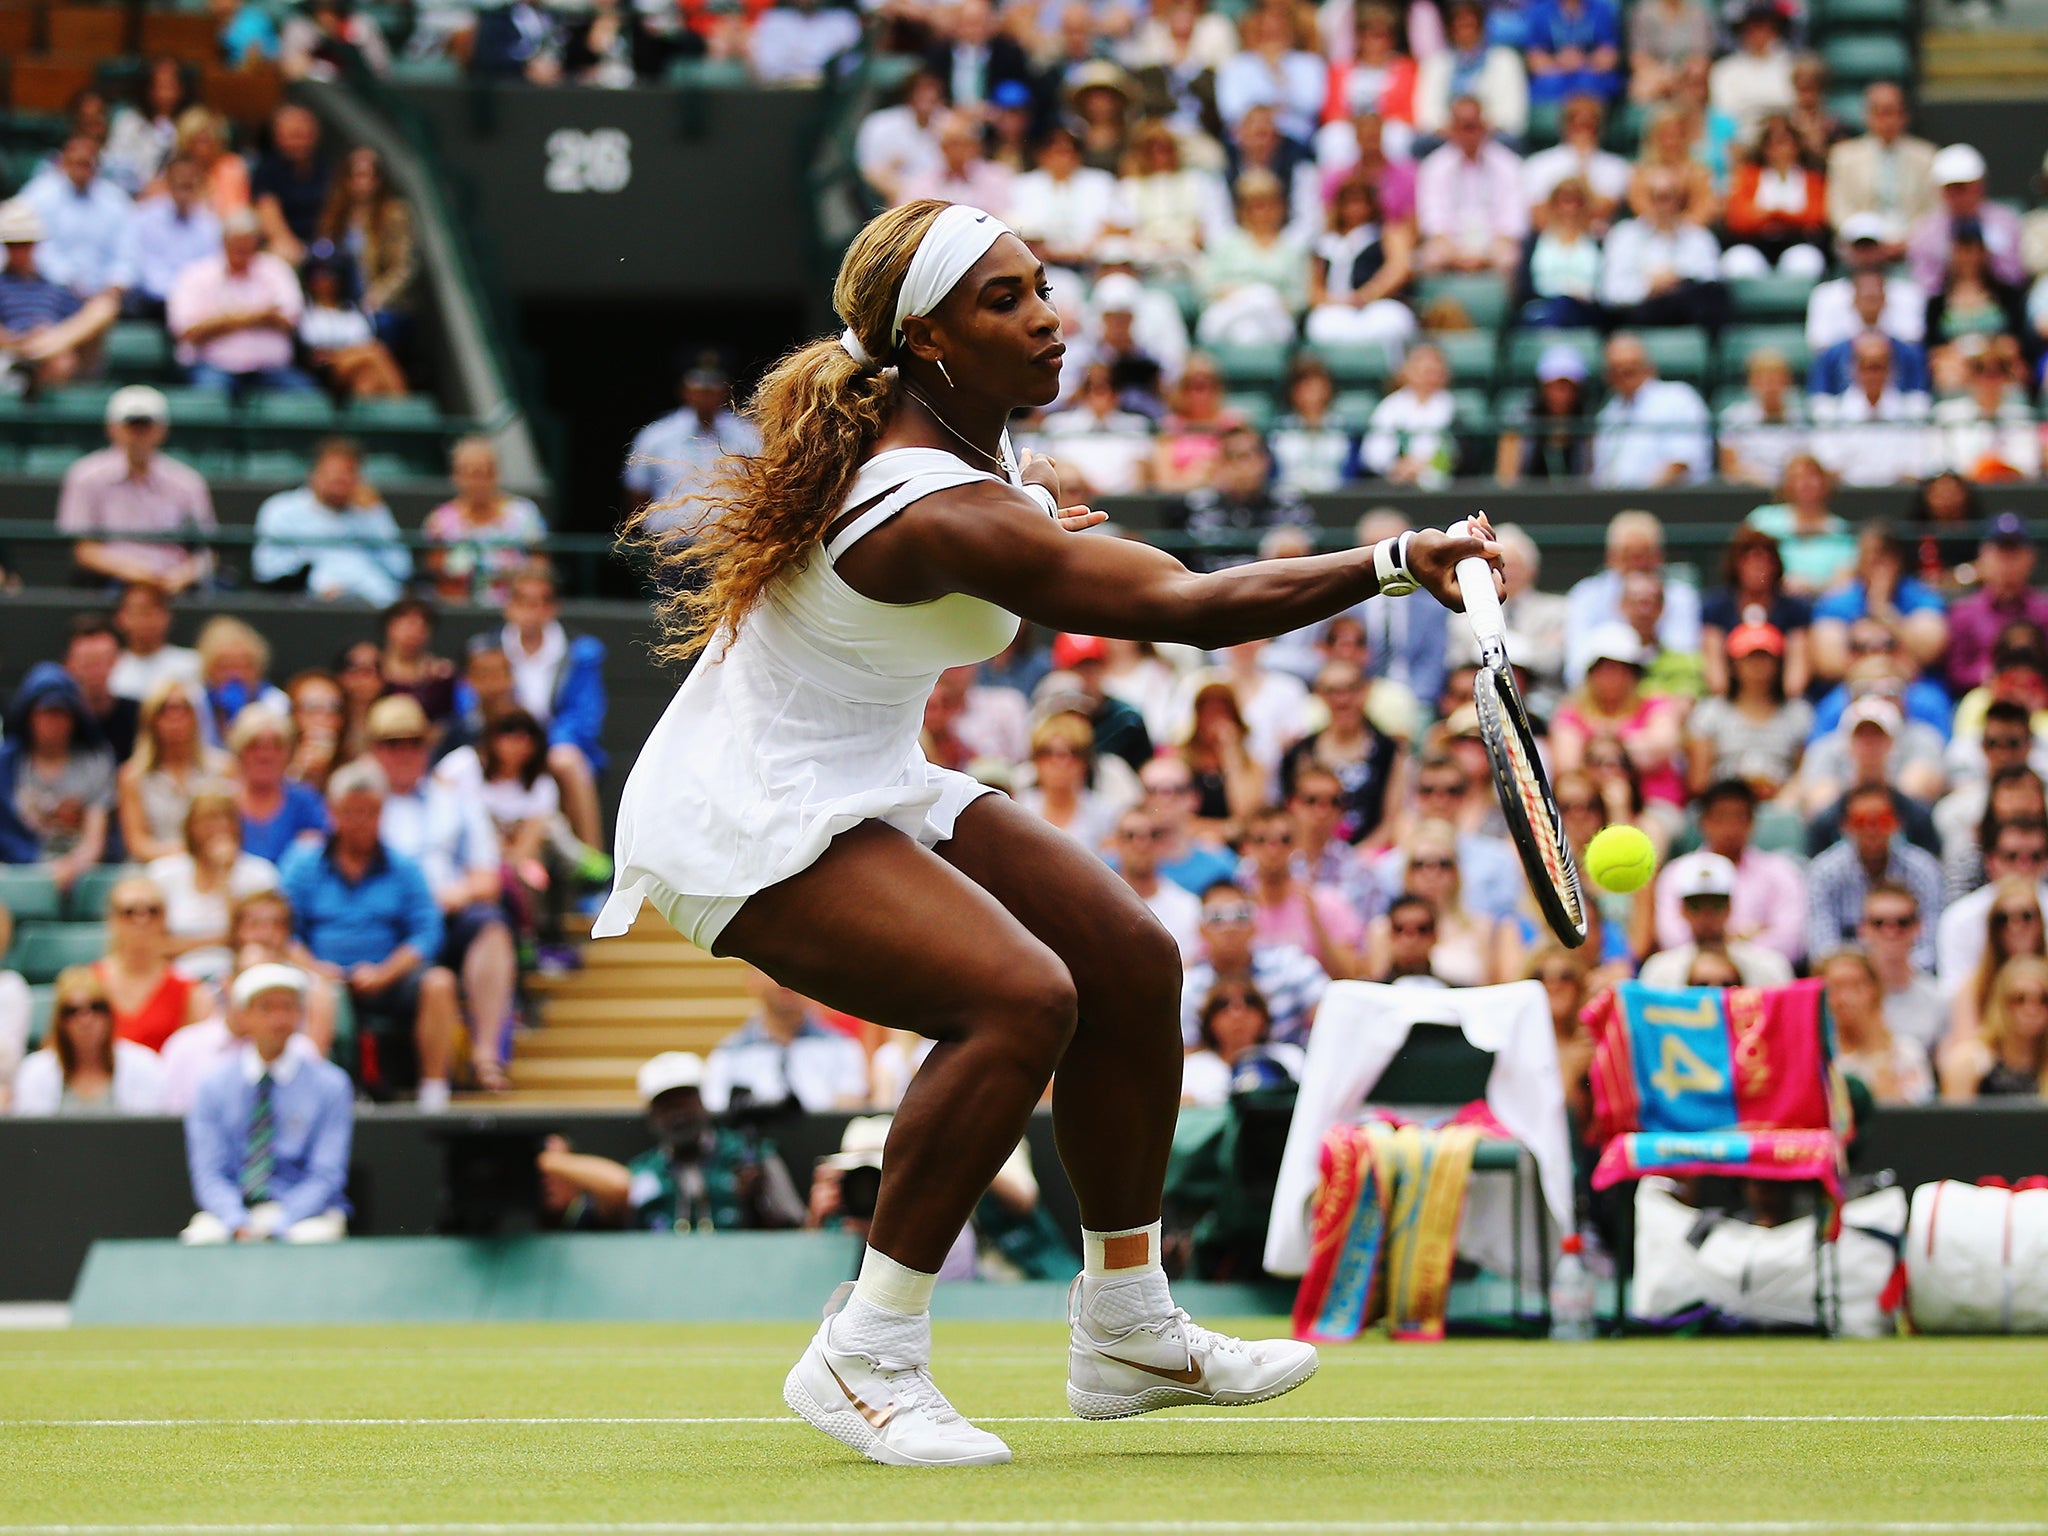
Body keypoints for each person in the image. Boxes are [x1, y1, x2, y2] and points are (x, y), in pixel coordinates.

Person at [599, 204, 1499, 1462]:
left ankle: (1127, 1326)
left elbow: (1025, 550)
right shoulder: (939, 508)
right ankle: (864, 1353)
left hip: (865, 769)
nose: (1045, 317)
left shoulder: (977, 469)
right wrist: (1396, 557)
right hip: (742, 803)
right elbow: (1182, 609)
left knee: (1129, 959)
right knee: (1020, 999)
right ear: (926, 343)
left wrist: (1035, 522)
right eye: (1004, 300)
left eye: (1042, 287)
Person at [280, 759, 459, 1108]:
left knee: (439, 983)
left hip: (389, 979)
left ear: (382, 813)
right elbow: (283, 930)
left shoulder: (404, 868)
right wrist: (317, 969)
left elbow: (427, 932)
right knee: (324, 995)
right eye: (350, 812)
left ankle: (434, 1096)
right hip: (321, 978)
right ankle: (326, 1097)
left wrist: (385, 973)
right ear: (332, 813)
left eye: (369, 812)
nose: (359, 822)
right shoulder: (303, 864)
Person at [364, 695, 517, 1095]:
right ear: (373, 748)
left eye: (412, 741)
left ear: (427, 746)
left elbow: (487, 878)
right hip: (380, 920)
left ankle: (486, 1056)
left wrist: (454, 894)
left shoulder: (455, 800)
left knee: (490, 926)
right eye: (391, 742)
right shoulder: (359, 799)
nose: (403, 752)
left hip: (445, 912)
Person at [538, 1051, 807, 1231]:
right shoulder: (641, 1173)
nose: (678, 1115)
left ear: (702, 1101)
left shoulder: (751, 1157)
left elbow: (795, 1226)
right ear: (652, 1116)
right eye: (667, 1105)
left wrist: (757, 1201)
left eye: (685, 1101)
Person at [180, 963, 352, 1243]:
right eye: (266, 1008)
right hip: (234, 1212)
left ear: (300, 1015)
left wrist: (281, 1223)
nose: (278, 1019)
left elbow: (326, 1175)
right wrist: (237, 1220)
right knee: (201, 1239)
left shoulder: (330, 1085)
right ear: (243, 1015)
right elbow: (209, 1173)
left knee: (312, 1240)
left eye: (288, 1007)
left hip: (306, 1214)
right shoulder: (213, 1086)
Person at [57, 385, 217, 594]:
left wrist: (183, 575)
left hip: (175, 584)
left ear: (162, 430)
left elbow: (206, 552)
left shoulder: (188, 481)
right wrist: (134, 573)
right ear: (112, 428)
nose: (138, 435)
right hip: (112, 582)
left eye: (146, 426)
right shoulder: (85, 476)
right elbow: (84, 550)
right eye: (132, 426)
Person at [497, 563, 608, 849]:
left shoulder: (582, 653)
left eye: (539, 602)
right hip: (499, 743)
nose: (531, 611)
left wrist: (536, 745)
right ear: (508, 606)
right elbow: (473, 707)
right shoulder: (486, 649)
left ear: (552, 608)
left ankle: (591, 865)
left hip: (553, 748)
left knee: (567, 759)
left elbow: (585, 719)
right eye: (523, 601)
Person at [166, 208, 316, 398]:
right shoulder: (195, 275)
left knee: (307, 397)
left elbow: (290, 320)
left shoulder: (277, 270)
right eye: (236, 244)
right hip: (213, 367)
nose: (241, 251)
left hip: (270, 369)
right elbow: (187, 331)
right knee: (207, 400)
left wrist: (224, 320)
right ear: (223, 242)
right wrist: (259, 316)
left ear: (257, 244)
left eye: (247, 245)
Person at [251, 438, 411, 606]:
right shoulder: (282, 509)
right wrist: (310, 576)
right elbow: (266, 569)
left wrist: (377, 514)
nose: (341, 478)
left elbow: (401, 568)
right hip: (309, 606)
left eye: (349, 472)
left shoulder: (370, 511)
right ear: (314, 473)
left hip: (376, 604)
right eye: (333, 471)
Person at [0, 664, 115, 891]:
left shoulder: (95, 761)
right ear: (29, 715)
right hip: (20, 871)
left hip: (81, 874)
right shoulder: (7, 763)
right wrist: (40, 870)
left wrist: (72, 866)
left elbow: (95, 839)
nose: (53, 722)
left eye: (61, 712)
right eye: (45, 712)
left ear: (75, 716)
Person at [1807, 783, 1945, 968]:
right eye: (1861, 821)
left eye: (1882, 820)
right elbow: (1823, 950)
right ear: (1845, 825)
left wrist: (1893, 971)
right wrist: (1864, 976)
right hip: (1848, 981)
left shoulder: (1923, 869)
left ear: (1898, 823)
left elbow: (1932, 945)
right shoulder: (1824, 872)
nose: (1872, 829)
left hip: (1910, 977)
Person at [1179, 879, 1330, 1046]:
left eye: (1240, 915)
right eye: (1216, 917)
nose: (1230, 927)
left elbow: (1330, 1014)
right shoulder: (1189, 988)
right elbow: (1187, 1054)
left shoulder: (1289, 964)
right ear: (1202, 929)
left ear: (1254, 925)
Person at [147, 790, 277, 982]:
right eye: (210, 819)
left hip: (243, 971)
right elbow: (153, 945)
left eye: (227, 819)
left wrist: (225, 877)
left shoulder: (261, 874)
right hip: (177, 974)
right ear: (191, 826)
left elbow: (259, 940)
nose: (221, 827)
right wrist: (218, 940)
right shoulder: (163, 874)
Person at [702, 966, 870, 1112]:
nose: (785, 978)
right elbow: (718, 1115)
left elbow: (847, 1111)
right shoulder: (728, 1055)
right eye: (771, 967)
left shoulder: (842, 1048)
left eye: (795, 968)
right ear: (751, 980)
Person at [10, 965, 165, 1116]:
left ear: (110, 1015)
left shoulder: (144, 1065)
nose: (85, 1020)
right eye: (72, 1011)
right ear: (59, 1021)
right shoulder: (35, 1072)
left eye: (96, 1007)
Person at [0, 197, 119, 389]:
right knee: (60, 360)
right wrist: (21, 341)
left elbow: (88, 318)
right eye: (13, 244)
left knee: (104, 306)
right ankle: (39, 354)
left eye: (25, 243)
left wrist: (48, 339)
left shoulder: (53, 288)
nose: (19, 251)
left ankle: (42, 351)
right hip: (9, 358)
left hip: (53, 355)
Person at [1684, 623, 1811, 800]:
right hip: (1723, 803)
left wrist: (1782, 795)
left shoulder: (1799, 713)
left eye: (1765, 658)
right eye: (1749, 658)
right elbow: (1699, 781)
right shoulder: (1709, 713)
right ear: (1733, 663)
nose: (1757, 666)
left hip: (1782, 805)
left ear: (1778, 663)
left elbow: (1804, 773)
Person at [1238, 803, 1364, 979]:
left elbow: (1350, 975)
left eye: (1284, 840)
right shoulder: (1236, 912)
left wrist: (1316, 922)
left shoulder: (1326, 902)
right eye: (1261, 840)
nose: (1273, 849)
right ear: (1246, 847)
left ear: (1297, 845)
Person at [118, 677, 234, 864]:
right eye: (165, 710)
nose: (175, 718)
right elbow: (138, 844)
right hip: (154, 869)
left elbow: (232, 830)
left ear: (196, 717)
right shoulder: (133, 776)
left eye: (182, 709)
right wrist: (185, 853)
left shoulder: (223, 767)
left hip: (212, 864)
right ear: (151, 719)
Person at [1639, 850, 1794, 988]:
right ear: (1682, 910)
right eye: (1696, 906)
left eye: (1716, 904)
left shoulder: (1770, 968)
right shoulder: (1659, 973)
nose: (1707, 915)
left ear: (1730, 907)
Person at [96, 874, 210, 1051]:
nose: (141, 920)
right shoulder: (88, 984)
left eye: (152, 911)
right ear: (112, 919)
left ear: (165, 918)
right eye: (129, 912)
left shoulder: (191, 993)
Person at [1304, 174, 1417, 354]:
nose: (1354, 209)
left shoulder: (1387, 233)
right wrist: (1335, 301)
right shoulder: (1326, 241)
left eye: (1360, 202)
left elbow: (1399, 269)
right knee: (1322, 326)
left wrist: (1365, 296)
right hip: (1335, 308)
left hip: (1379, 304)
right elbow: (1314, 288)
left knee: (1388, 322)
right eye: (1348, 202)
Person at [1415, 96, 1527, 275]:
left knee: (1510, 256)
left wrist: (1487, 253)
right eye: (1463, 127)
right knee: (1430, 256)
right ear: (1451, 128)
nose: (1468, 134)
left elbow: (1513, 220)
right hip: (1449, 245)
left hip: (1495, 244)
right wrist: (1455, 252)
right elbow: (1432, 219)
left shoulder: (1508, 164)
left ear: (1485, 126)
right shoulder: (1433, 166)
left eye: (1473, 126)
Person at [1600, 168, 1724, 327]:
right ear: (1645, 199)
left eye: (1667, 197)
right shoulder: (1624, 235)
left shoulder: (1700, 238)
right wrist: (1649, 286)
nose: (1662, 205)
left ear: (1679, 200)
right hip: (1642, 312)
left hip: (1689, 312)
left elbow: (1711, 283)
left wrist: (1677, 279)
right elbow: (1611, 291)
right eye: (1656, 197)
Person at [315, 146, 415, 345]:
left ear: (379, 180)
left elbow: (403, 267)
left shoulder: (395, 214)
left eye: (368, 176)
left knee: (379, 328)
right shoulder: (334, 215)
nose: (362, 182)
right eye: (356, 175)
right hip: (342, 302)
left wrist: (377, 296)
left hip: (380, 300)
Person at [18, 135, 133, 302]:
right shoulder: (39, 194)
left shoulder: (116, 201)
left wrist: (114, 286)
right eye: (77, 162)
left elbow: (127, 256)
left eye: (87, 163)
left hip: (104, 295)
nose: (82, 169)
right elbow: (30, 248)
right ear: (64, 162)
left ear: (98, 165)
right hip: (49, 287)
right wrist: (69, 283)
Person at [1588, 333, 1711, 488]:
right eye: (1616, 370)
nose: (1623, 376)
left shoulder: (1679, 397)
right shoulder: (1608, 412)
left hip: (1671, 501)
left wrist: (1641, 496)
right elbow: (1601, 473)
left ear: (1649, 367)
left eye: (1630, 369)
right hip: (1616, 505)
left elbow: (1681, 463)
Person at [1827, 83, 1936, 254]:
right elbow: (1839, 212)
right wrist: (1869, 239)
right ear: (1867, 116)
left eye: (1893, 112)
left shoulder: (1926, 156)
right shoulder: (1844, 156)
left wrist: (1908, 241)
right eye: (1881, 113)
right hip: (1862, 244)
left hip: (1913, 244)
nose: (1888, 121)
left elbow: (1933, 210)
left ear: (1904, 116)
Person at [1947, 515, 2048, 696]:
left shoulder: (2044, 611)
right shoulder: (1964, 613)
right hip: (1983, 699)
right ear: (1984, 558)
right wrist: (1989, 676)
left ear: (2030, 559)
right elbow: (1955, 672)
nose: (2007, 563)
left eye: (2015, 554)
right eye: (2001, 554)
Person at [1908, 144, 2025, 297]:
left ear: (1979, 185)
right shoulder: (1924, 231)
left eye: (1962, 187)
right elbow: (1925, 284)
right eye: (1950, 188)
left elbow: (2015, 276)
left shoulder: (2005, 223)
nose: (1957, 196)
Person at [1820, 948, 1933, 1106]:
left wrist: (1880, 1057)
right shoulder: (1815, 1057)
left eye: (1856, 986)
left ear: (1875, 990)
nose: (1845, 998)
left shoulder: (1906, 1051)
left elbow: (1916, 1115)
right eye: (1836, 988)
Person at [118, 156, 221, 323]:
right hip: (152, 299)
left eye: (189, 187)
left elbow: (210, 271)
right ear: (168, 184)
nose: (183, 193)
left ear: (199, 186)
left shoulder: (210, 225)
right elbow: (136, 266)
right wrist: (173, 294)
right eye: (179, 186)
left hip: (192, 301)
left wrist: (183, 296)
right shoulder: (144, 217)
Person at [228, 703, 329, 869]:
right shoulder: (224, 803)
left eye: (275, 747)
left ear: (288, 753)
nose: (265, 756)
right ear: (240, 752)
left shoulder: (305, 802)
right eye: (254, 746)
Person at [1940, 951, 2048, 1101]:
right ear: (2001, 1004)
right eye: (2019, 999)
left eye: (2043, 999)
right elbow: (1954, 1123)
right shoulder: (1969, 1064)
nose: (2031, 1009)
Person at [1417, 0, 1528, 140]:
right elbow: (1427, 117)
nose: (1466, 32)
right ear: (1450, 30)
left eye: (1471, 26)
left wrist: (1476, 129)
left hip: (1492, 138)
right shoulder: (1436, 63)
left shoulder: (1505, 60)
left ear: (1482, 27)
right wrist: (1457, 131)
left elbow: (1512, 118)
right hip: (1448, 139)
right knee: (1421, 143)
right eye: (1460, 27)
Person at [1181, 981, 1303, 1107]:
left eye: (1250, 1002)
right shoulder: (1192, 1069)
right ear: (1209, 1020)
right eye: (1222, 1004)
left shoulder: (1291, 1058)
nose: (1237, 1013)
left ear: (1263, 1015)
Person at [1859, 880, 1945, 1051]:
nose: (1891, 931)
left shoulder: (1939, 999)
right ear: (1863, 930)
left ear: (1918, 927)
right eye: (1879, 923)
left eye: (1902, 922)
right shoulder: (1845, 998)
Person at [1014, 712, 1119, 851]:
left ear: (1085, 762)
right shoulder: (1018, 809)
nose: (1060, 763)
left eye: (1073, 753)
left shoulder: (1106, 816)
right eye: (1047, 752)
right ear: (1035, 761)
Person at [1361, 343, 1460, 487]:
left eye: (1435, 371)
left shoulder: (1453, 409)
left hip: (1444, 488)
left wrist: (1427, 468)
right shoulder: (1390, 407)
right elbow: (1373, 453)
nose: (1430, 378)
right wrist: (1397, 466)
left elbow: (1459, 453)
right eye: (1425, 371)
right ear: (1407, 372)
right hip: (1396, 484)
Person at [1109, 806, 1202, 957]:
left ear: (1163, 842)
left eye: (1153, 835)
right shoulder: (1098, 905)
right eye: (1130, 835)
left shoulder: (1189, 908)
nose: (1141, 845)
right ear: (1116, 842)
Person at [1495, 344, 1594, 482]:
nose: (1560, 394)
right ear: (1542, 387)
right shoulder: (1518, 425)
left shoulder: (1589, 427)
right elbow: (1506, 480)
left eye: (1567, 386)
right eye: (1553, 385)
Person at [250, 104, 332, 267]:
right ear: (278, 138)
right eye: (292, 136)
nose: (298, 143)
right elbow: (269, 216)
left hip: (321, 241)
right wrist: (292, 246)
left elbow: (333, 209)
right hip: (286, 244)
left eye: (303, 136)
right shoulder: (267, 170)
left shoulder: (326, 169)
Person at [109, 580, 202, 703]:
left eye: (153, 610)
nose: (146, 619)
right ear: (121, 617)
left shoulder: (193, 664)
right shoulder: (110, 670)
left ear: (167, 616)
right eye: (139, 611)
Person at [64, 615, 140, 764]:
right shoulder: (57, 718)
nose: (95, 670)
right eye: (86, 662)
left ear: (116, 661)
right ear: (69, 664)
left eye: (103, 660)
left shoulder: (137, 715)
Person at [1524, 0, 1620, 105]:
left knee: (1589, 82)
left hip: (1590, 76)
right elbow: (1534, 60)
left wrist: (1582, 59)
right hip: (1553, 76)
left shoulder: (1602, 10)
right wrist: (1559, 61)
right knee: (1547, 85)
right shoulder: (1539, 11)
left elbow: (1609, 58)